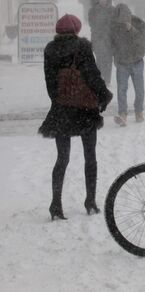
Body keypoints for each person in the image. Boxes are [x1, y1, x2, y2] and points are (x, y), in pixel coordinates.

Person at [39, 14, 112, 220]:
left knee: (62, 158)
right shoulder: (82, 47)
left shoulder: (50, 50)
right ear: (76, 30)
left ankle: (55, 204)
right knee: (90, 157)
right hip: (85, 111)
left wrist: (59, 101)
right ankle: (90, 201)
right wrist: (103, 96)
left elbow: (50, 82)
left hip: (62, 110)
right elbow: (92, 75)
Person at [110, 4, 145, 126]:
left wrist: (131, 29)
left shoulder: (138, 23)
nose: (121, 22)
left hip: (137, 61)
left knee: (139, 90)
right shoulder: (114, 26)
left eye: (123, 19)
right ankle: (122, 114)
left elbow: (143, 40)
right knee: (121, 89)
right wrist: (115, 56)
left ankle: (139, 111)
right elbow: (111, 43)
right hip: (122, 62)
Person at [89, 0, 115, 85]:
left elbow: (115, 24)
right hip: (98, 38)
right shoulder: (93, 11)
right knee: (100, 58)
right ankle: (99, 78)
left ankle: (107, 79)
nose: (104, 0)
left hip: (110, 39)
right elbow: (92, 24)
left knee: (108, 59)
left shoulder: (112, 10)